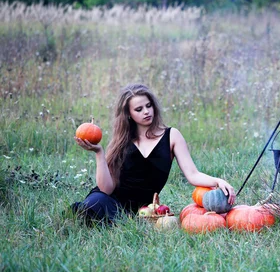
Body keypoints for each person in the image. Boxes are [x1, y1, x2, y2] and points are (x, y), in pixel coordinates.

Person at [71, 83, 236, 224]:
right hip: (109, 200)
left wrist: (218, 181)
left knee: (121, 221)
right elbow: (106, 189)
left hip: (142, 210)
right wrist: (99, 152)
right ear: (129, 114)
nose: (146, 112)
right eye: (139, 109)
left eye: (148, 106)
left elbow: (192, 174)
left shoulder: (172, 136)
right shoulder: (122, 141)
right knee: (95, 204)